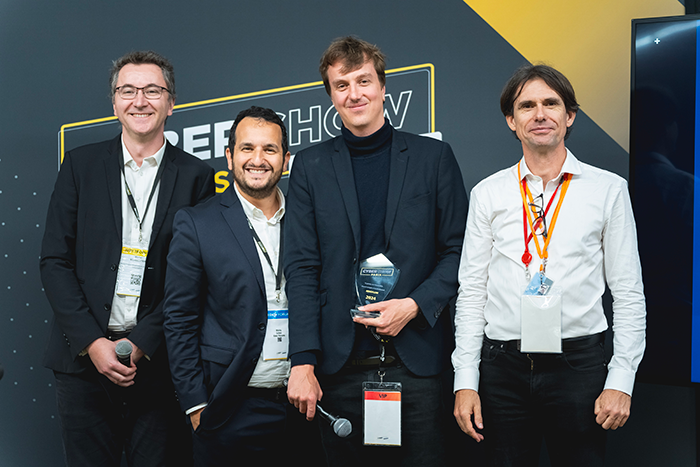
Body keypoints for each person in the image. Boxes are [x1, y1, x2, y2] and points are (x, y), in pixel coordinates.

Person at [284, 36, 468, 466]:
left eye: (363, 81)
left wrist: (414, 305)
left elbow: (460, 250)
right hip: (338, 367)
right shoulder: (310, 167)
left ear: (383, 87)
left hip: (418, 362)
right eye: (342, 85)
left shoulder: (433, 157)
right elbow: (302, 267)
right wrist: (302, 361)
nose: (354, 94)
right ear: (331, 96)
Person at [452, 64, 646, 466]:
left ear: (569, 115)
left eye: (550, 104)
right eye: (526, 106)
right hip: (501, 370)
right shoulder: (488, 194)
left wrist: (621, 379)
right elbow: (471, 294)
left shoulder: (608, 190)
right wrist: (465, 381)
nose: (539, 114)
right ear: (512, 120)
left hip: (578, 367)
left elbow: (628, 294)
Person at [40, 50, 215, 467]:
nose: (140, 101)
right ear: (114, 102)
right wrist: (93, 343)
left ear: (171, 103)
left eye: (152, 90)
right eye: (128, 91)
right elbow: (54, 261)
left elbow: (195, 278)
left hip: (158, 364)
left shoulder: (197, 177)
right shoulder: (80, 165)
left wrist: (143, 342)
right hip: (82, 365)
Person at [163, 106, 294, 466]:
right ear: (229, 156)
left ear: (285, 159)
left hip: (302, 405)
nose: (258, 159)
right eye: (247, 148)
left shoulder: (307, 217)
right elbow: (179, 319)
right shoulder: (198, 223)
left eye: (269, 149)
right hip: (229, 407)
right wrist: (196, 405)